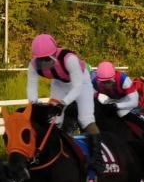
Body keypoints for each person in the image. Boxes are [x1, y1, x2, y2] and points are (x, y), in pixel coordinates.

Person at [27, 34, 104, 170]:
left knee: (85, 119)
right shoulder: (33, 65)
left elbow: (77, 86)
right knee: (54, 120)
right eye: (40, 60)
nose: (44, 63)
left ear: (54, 53)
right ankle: (56, 154)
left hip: (82, 82)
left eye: (47, 59)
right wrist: (34, 105)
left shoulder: (70, 59)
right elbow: (32, 87)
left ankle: (98, 159)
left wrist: (63, 104)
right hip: (59, 84)